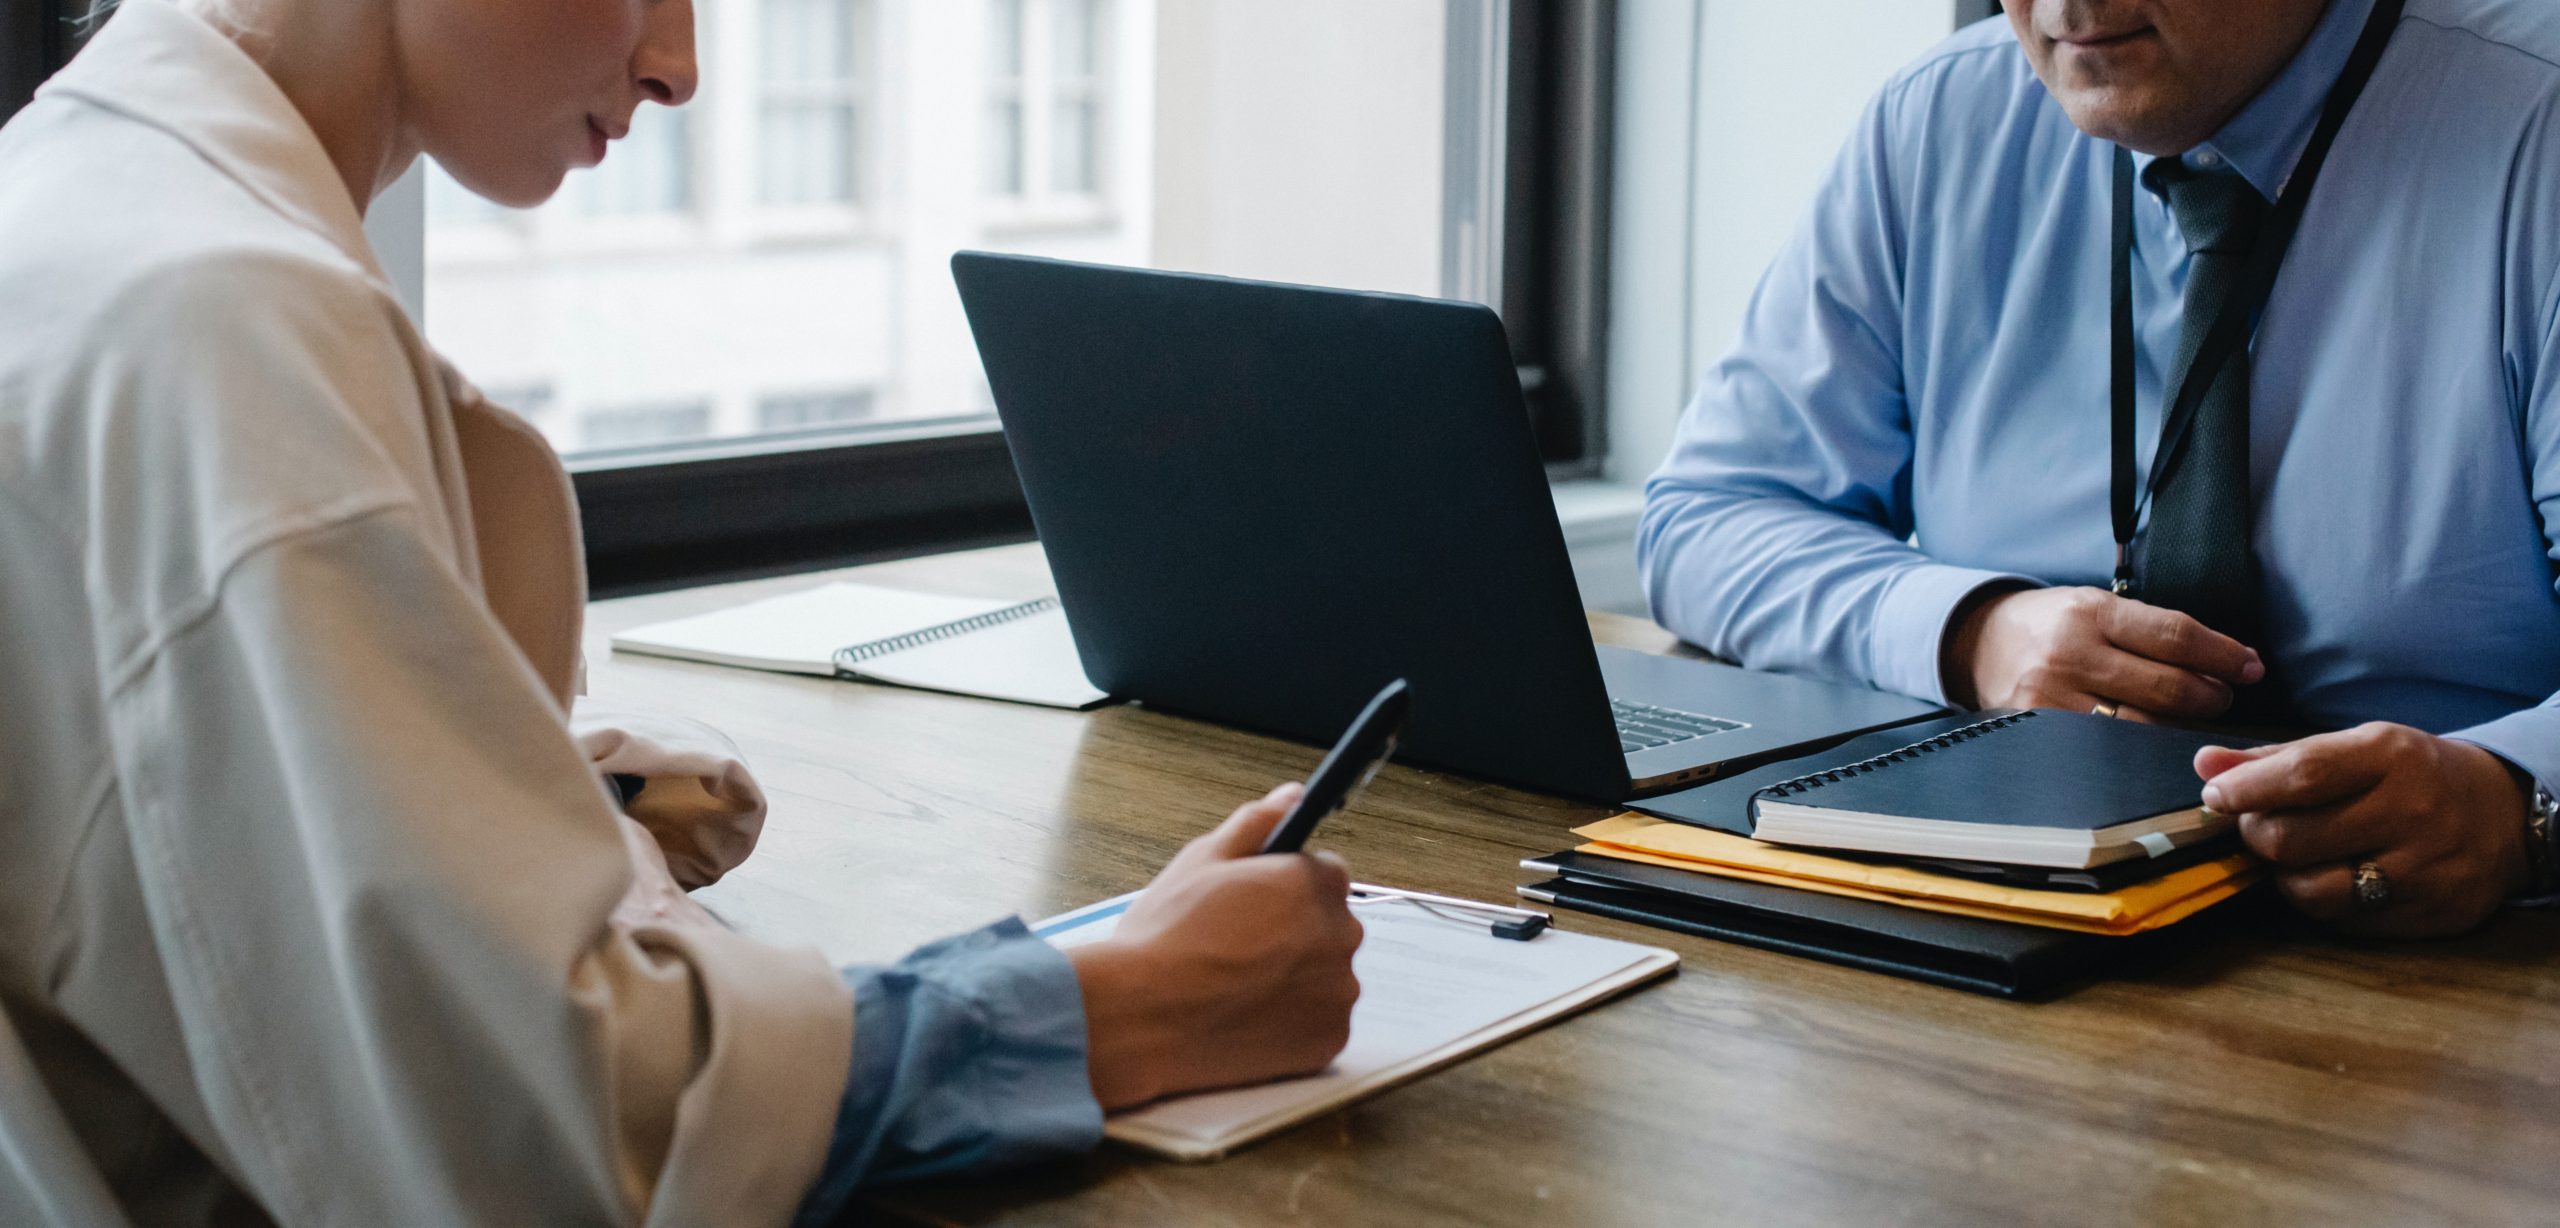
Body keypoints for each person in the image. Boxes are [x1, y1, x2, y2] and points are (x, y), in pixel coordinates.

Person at [0, 1, 1363, 1223]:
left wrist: (496, 798)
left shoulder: (74, 202)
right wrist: (1118, 1007)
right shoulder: (226, 323)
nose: (681, 64)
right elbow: (540, 1139)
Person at [1638, 0, 2560, 938]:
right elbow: (1710, 517)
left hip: (2459, 964)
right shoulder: (1940, 120)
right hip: (2008, 917)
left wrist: (2517, 801)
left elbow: (2517, 808)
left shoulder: (2541, 124)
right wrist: (1973, 634)